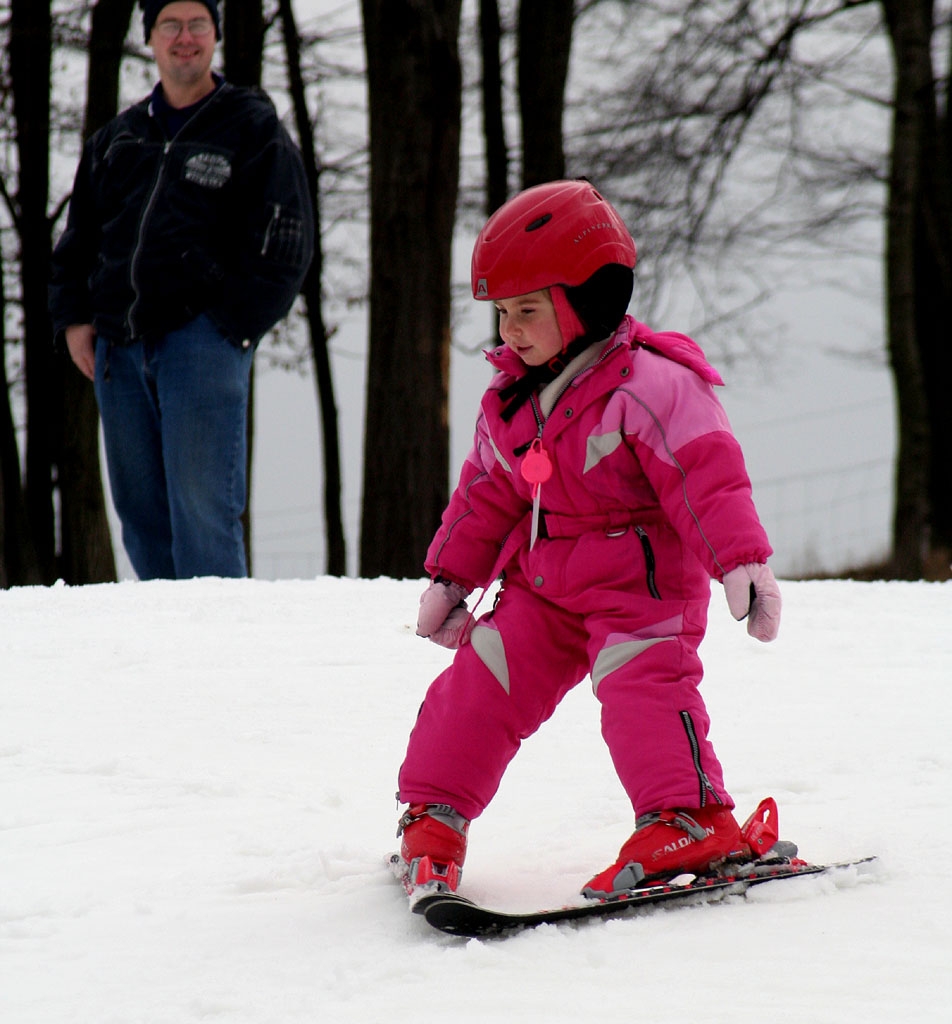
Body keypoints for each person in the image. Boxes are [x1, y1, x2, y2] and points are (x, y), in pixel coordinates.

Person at [395, 179, 783, 900]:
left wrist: (742, 562)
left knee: (642, 687)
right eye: (504, 313)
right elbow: (485, 496)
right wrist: (453, 579)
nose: (511, 331)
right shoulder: (512, 402)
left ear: (587, 299)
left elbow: (706, 473)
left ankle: (688, 815)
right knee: (480, 682)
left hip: (640, 589)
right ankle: (433, 813)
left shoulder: (653, 386)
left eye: (529, 311)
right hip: (544, 588)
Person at [48, 0, 313, 580]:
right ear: (151, 39)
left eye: (198, 24)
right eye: (171, 25)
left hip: (201, 343)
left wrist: (229, 329)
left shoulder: (251, 126)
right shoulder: (118, 139)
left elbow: (286, 238)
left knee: (203, 514)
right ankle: (165, 657)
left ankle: (216, 658)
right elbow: (79, 240)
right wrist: (74, 320)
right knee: (141, 517)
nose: (184, 37)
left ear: (216, 35)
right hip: (118, 347)